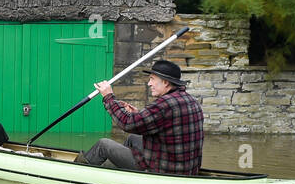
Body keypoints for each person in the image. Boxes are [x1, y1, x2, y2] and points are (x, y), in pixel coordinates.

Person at [76, 60, 204, 174]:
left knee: (103, 145)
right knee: (132, 138)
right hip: (186, 167)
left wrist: (108, 97)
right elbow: (163, 124)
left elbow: (126, 123)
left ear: (165, 82)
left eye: (152, 79)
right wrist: (137, 115)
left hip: (164, 171)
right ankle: (118, 172)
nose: (149, 84)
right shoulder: (190, 100)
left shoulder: (164, 104)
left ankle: (77, 172)